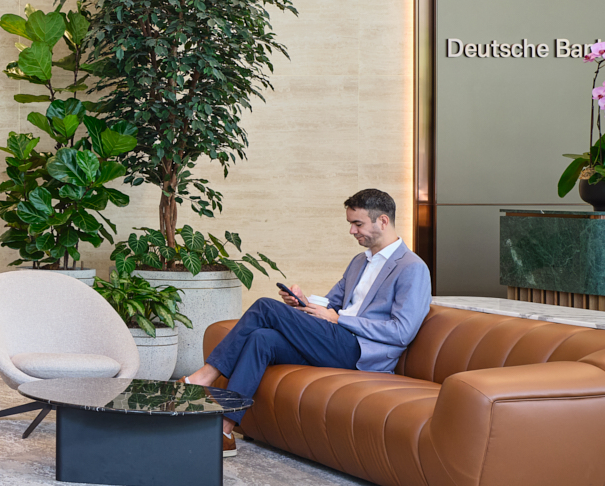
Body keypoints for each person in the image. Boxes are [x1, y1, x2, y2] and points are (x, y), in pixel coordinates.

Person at [184, 188, 431, 452]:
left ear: (382, 220)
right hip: (335, 339)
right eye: (350, 224)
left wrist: (339, 320)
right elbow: (331, 303)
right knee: (261, 339)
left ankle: (205, 376)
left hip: (360, 351)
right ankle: (225, 430)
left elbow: (402, 331)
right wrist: (302, 303)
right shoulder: (360, 261)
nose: (352, 231)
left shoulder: (412, 268)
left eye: (357, 223)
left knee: (265, 307)